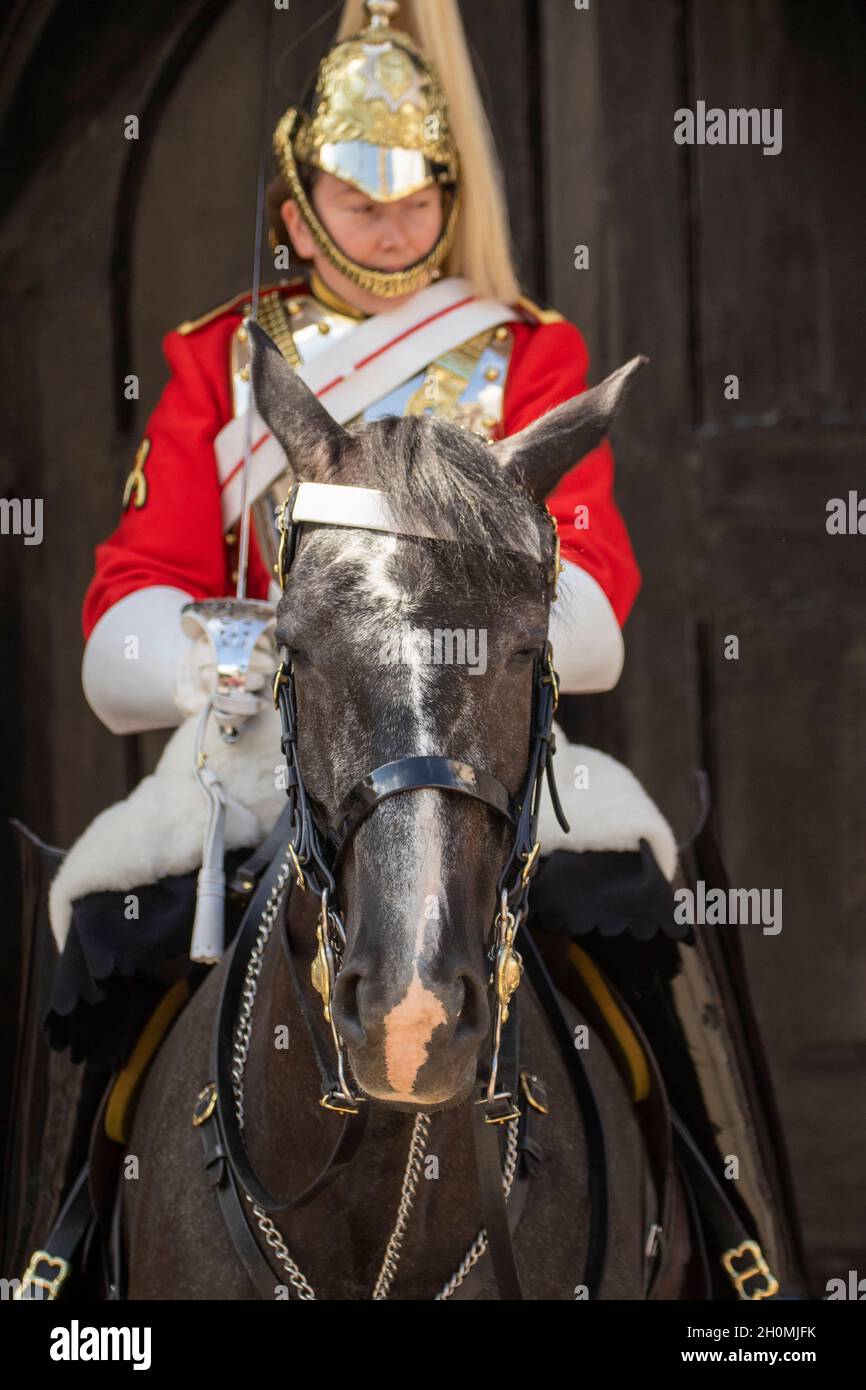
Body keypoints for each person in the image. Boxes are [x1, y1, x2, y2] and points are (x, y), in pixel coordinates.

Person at [31, 0, 803, 1300]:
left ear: (447, 198)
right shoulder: (225, 360)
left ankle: (739, 1240)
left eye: (413, 195)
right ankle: (56, 1247)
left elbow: (594, 611)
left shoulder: (524, 356)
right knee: (101, 914)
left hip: (482, 742)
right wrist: (259, 644)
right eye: (356, 193)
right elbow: (121, 621)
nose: (389, 223)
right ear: (296, 205)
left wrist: (450, 645)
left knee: (637, 896)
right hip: (261, 741)